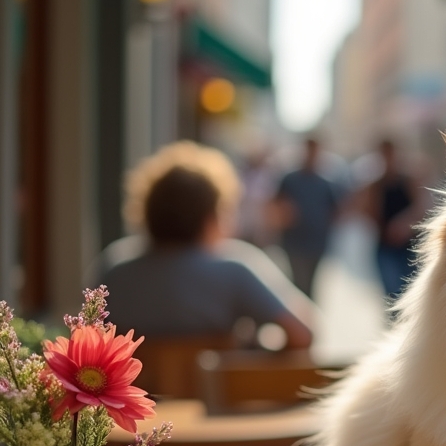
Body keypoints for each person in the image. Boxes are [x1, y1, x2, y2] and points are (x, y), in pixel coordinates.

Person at [97, 141, 315, 348]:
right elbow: (303, 333)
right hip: (216, 388)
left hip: (140, 388)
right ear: (210, 217)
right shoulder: (234, 271)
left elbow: (88, 341)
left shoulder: (114, 272)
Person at [273, 135, 344, 297]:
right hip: (294, 241)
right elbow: (276, 205)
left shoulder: (325, 183)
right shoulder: (290, 180)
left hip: (317, 242)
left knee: (310, 286)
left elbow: (336, 211)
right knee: (298, 284)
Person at [369, 139, 428, 299]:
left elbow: (420, 209)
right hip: (386, 246)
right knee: (391, 294)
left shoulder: (409, 180)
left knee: (411, 293)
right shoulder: (376, 185)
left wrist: (403, 224)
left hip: (408, 246)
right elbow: (368, 213)